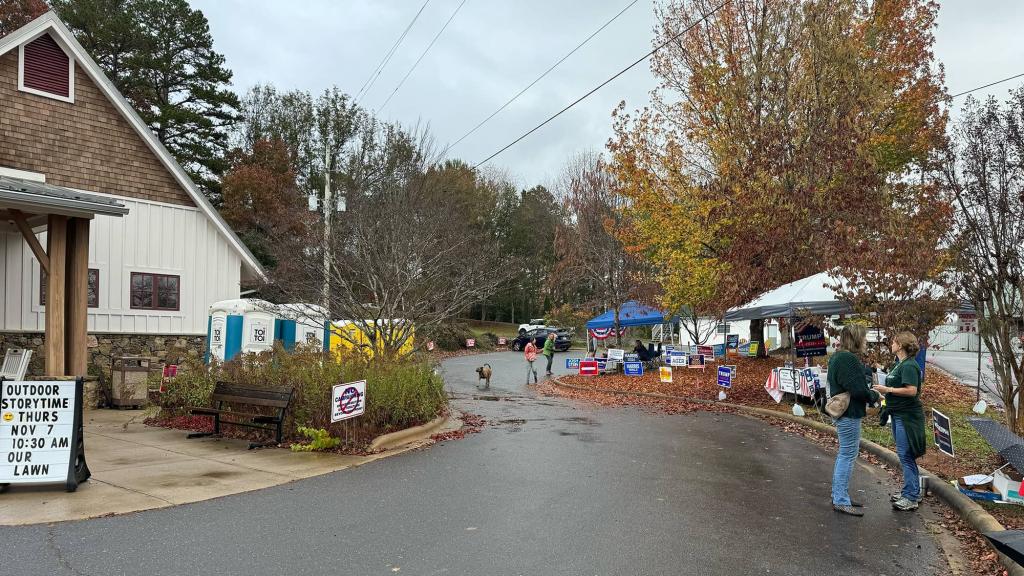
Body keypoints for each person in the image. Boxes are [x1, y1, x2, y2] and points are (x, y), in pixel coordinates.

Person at [828, 324, 881, 517]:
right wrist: (874, 395)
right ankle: (840, 499)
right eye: (864, 338)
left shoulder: (838, 356)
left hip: (844, 413)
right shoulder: (848, 359)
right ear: (856, 339)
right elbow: (858, 390)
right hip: (849, 413)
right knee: (848, 454)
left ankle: (839, 495)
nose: (866, 341)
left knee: (845, 453)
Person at [875, 332, 926, 512]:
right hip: (897, 413)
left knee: (905, 455)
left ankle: (911, 496)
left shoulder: (909, 366)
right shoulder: (900, 364)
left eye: (894, 342)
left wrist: (887, 388)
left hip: (907, 416)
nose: (891, 344)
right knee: (904, 454)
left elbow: (912, 391)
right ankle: (911, 490)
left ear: (901, 345)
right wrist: (885, 393)